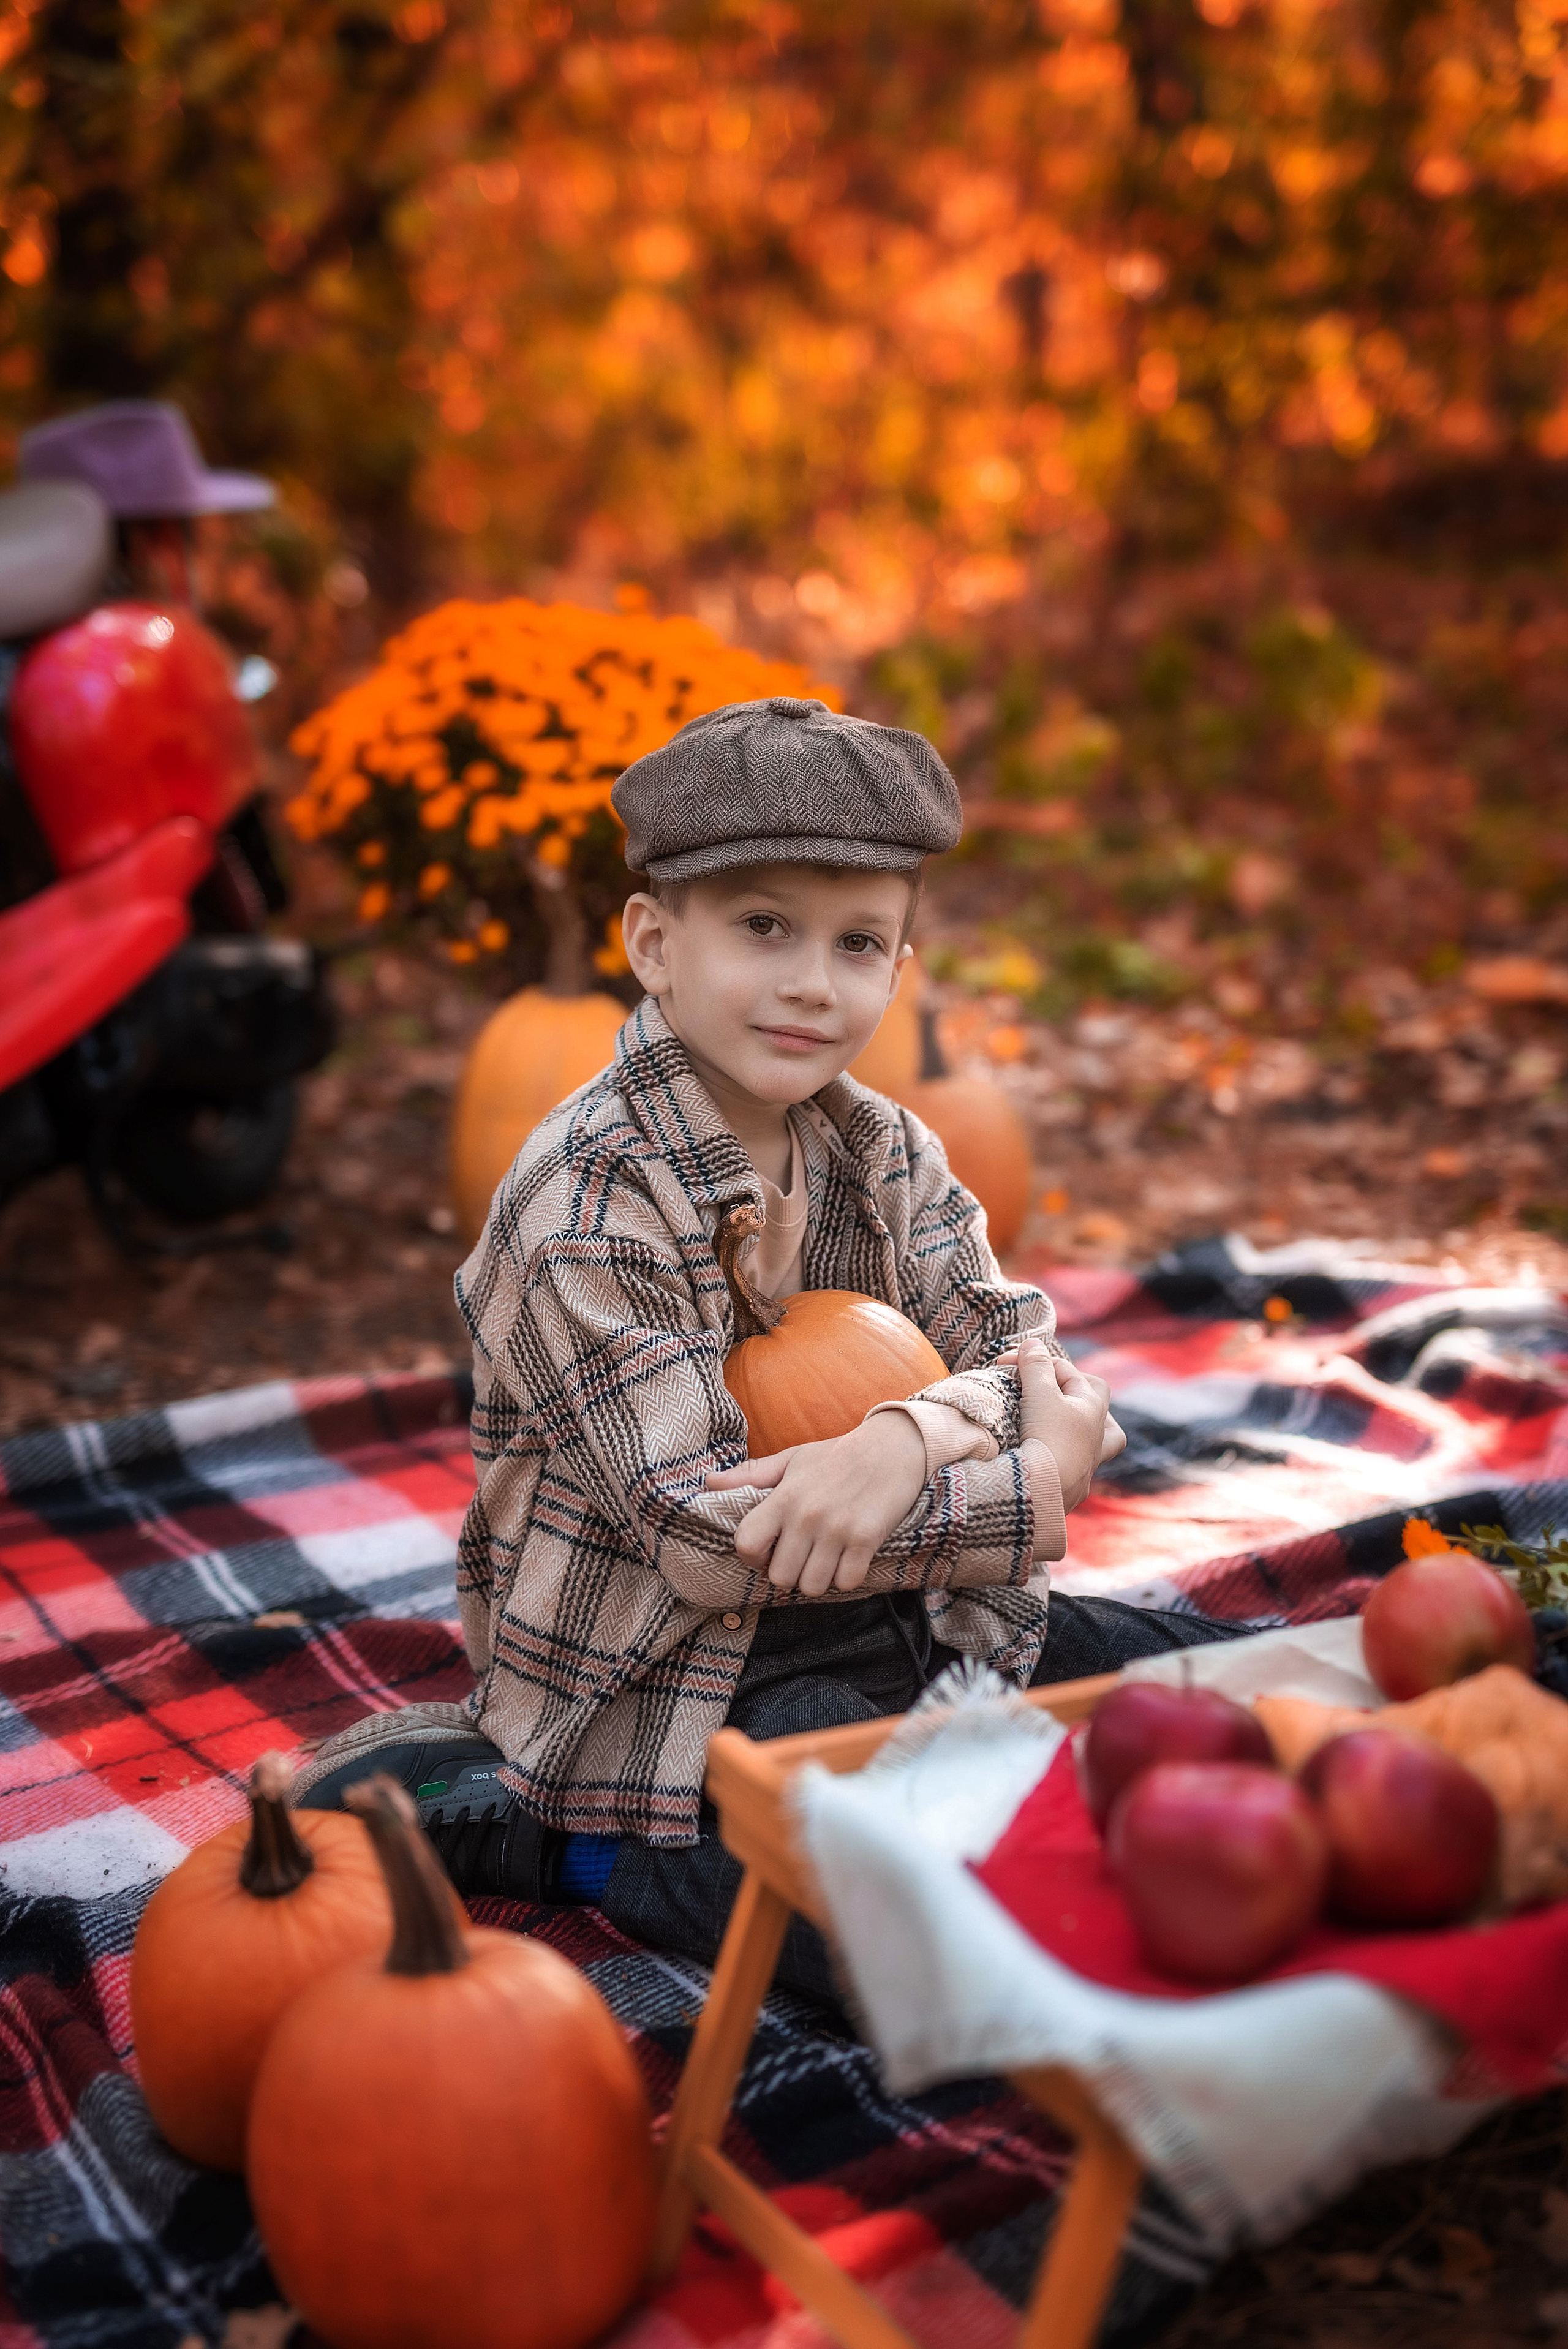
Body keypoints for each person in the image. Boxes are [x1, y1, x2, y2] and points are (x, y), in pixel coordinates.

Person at [297, 696, 1243, 1996]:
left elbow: (1028, 1355)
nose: (811, 979)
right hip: (675, 1673)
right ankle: (553, 1833)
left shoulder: (885, 1150)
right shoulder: (584, 1202)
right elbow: (700, 1540)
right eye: (761, 926)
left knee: (1202, 1723)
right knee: (918, 1936)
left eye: (857, 941)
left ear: (898, 970)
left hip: (909, 1609)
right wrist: (1021, 1489)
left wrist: (902, 1438)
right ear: (652, 941)